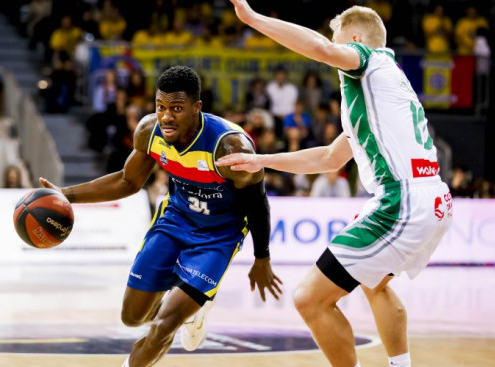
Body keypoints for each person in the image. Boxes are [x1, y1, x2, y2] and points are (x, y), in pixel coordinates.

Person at [219, 3, 453, 367]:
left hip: (401, 201)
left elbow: (322, 50)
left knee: (309, 298)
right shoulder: (384, 89)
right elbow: (329, 158)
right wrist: (262, 161)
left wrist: (252, 19)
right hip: (434, 199)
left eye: (339, 42)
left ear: (356, 40)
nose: (335, 52)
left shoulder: (369, 60)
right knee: (376, 284)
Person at [40, 65, 282, 367]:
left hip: (218, 237)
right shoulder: (149, 130)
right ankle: (193, 308)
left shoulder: (231, 148)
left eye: (176, 108)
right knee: (132, 318)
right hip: (175, 220)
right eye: (161, 107)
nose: (166, 116)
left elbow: (257, 205)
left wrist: (262, 258)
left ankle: (186, 310)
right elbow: (128, 181)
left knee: (163, 325)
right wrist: (66, 195)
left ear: (197, 108)